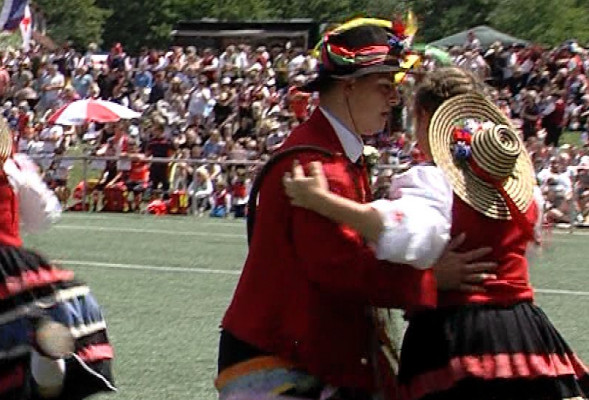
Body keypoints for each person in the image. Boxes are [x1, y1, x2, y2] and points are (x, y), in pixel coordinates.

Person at [216, 19, 501, 399]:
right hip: (280, 357)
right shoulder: (320, 167)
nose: (394, 100)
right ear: (349, 87)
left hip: (298, 349)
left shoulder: (332, 155)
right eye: (384, 87)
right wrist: (432, 279)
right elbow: (341, 270)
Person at [282, 72, 589, 399]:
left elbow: (403, 233)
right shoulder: (521, 188)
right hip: (525, 331)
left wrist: (322, 201)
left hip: (458, 334)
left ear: (426, 117)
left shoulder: (433, 181)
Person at [0, 99, 117, 399]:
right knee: (43, 334)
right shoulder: (12, 168)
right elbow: (46, 215)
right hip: (10, 265)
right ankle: (45, 357)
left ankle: (43, 359)